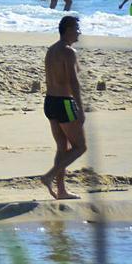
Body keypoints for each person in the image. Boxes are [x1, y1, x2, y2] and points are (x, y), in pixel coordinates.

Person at [41, 15, 86, 200]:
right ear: (67, 29)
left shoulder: (52, 50)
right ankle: (50, 175)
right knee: (80, 147)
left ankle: (61, 190)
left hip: (50, 101)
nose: (79, 32)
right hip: (64, 102)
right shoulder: (68, 52)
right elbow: (73, 83)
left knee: (62, 147)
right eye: (76, 28)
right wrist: (81, 109)